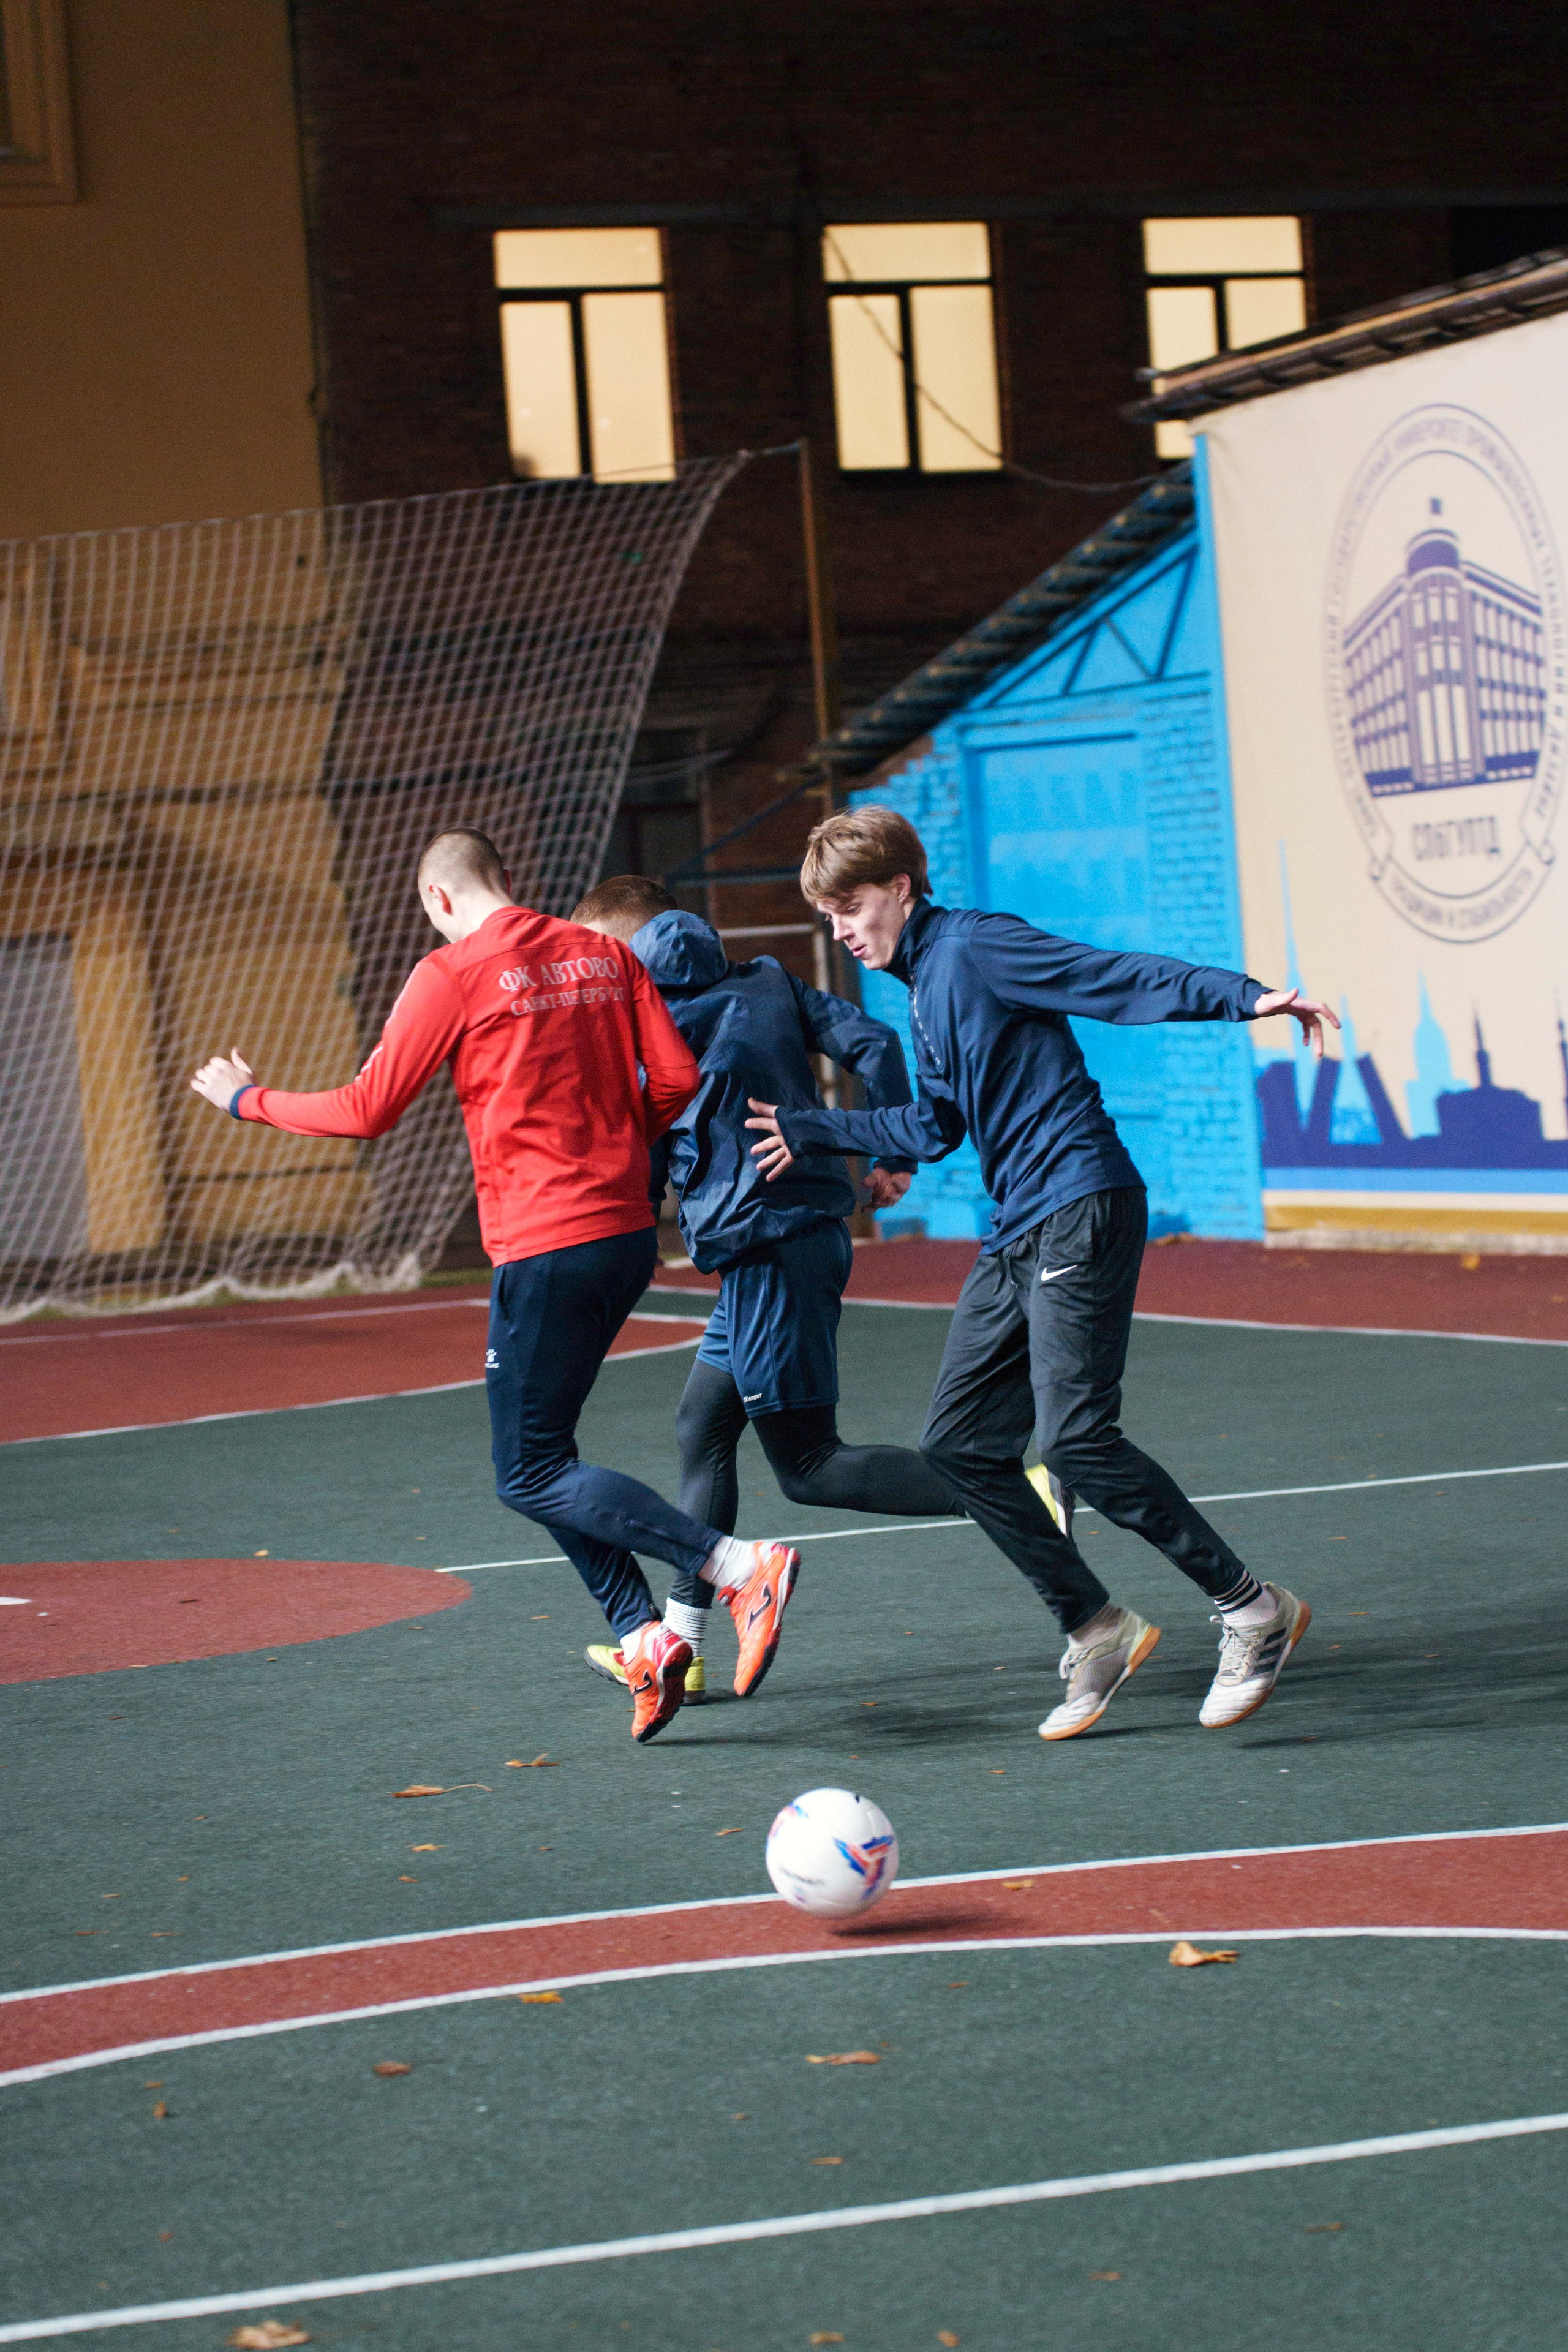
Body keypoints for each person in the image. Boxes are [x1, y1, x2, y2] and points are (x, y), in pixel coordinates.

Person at [188, 827, 801, 1743]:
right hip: (628, 1235)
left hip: (544, 1244)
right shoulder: (600, 951)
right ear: (508, 881)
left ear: (437, 902)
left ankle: (731, 1562)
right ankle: (643, 1640)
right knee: (546, 1456)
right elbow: (675, 1082)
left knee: (529, 1470)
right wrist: (610, 1140)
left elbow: (366, 1111)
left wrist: (249, 1101)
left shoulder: (451, 974)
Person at [747, 805, 1338, 1743]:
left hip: (1081, 1202)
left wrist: (1247, 997)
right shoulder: (921, 985)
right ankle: (1095, 1626)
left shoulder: (978, 947)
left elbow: (1113, 977)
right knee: (958, 1445)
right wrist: (816, 1127)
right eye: (828, 917)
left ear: (901, 887)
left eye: (852, 906)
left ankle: (1252, 1609)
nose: (843, 930)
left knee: (1075, 1442)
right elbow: (935, 1129)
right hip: (1021, 1224)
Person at [571, 873, 957, 1700]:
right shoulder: (769, 981)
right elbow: (879, 1046)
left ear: (624, 950)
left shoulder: (645, 1023)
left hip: (765, 1246)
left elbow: (642, 1149)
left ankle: (1017, 1488)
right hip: (795, 1237)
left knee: (809, 1465)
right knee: (701, 1426)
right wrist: (892, 1153)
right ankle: (682, 1647)